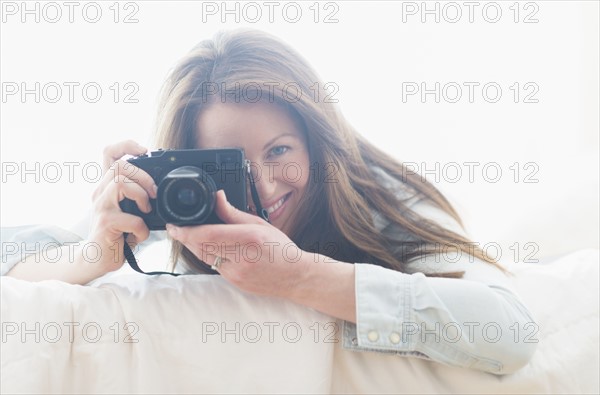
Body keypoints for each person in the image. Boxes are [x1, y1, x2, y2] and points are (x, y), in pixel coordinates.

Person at [3, 29, 537, 374]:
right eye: (230, 165)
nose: (263, 187)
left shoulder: (377, 200)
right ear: (189, 166)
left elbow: (510, 333)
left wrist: (298, 276)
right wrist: (92, 252)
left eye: (280, 150)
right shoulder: (183, 203)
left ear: (316, 140)